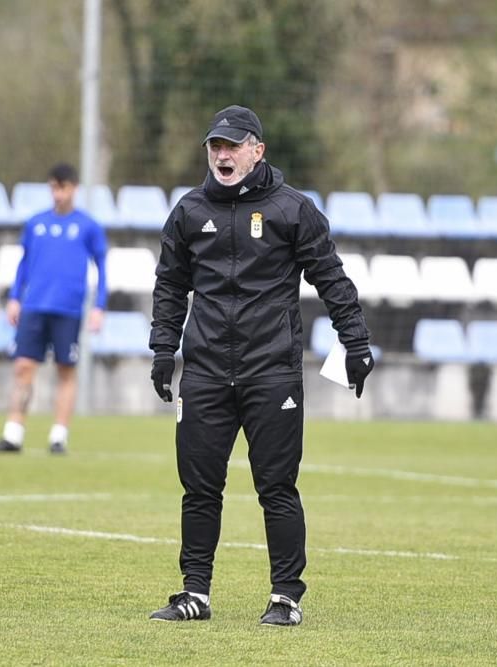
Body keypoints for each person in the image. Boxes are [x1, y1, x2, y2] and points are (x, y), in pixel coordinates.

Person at [147, 105, 374, 626]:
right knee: (199, 486)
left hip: (271, 370)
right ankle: (194, 594)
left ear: (257, 150)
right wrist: (163, 350)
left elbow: (332, 279)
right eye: (215, 147)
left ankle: (285, 597)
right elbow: (169, 287)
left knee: (276, 486)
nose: (222, 156)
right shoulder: (187, 212)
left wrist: (356, 343)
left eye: (233, 146)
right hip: (204, 370)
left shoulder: (293, 210)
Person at [0, 163, 108, 455]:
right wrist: (15, 297)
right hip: (35, 306)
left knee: (66, 370)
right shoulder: (36, 223)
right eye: (53, 187)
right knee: (23, 367)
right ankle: (13, 434)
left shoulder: (88, 226)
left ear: (74, 188)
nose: (58, 194)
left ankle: (58, 436)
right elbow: (24, 264)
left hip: (68, 309)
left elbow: (102, 267)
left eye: (63, 187)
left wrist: (99, 306)